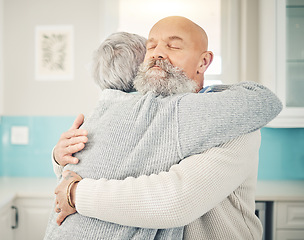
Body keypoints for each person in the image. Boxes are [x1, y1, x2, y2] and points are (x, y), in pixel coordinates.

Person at [47, 17, 282, 240]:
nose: (158, 53)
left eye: (174, 46)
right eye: (151, 47)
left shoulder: (235, 120)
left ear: (204, 62)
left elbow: (175, 201)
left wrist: (76, 194)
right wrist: (61, 157)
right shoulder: (143, 111)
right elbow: (111, 166)